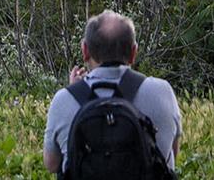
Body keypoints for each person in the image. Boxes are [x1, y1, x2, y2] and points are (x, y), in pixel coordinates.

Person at [42, 10, 181, 176]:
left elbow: (52, 164)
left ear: (85, 51)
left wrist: (74, 94)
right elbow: (172, 151)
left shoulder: (63, 100)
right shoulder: (162, 91)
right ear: (133, 52)